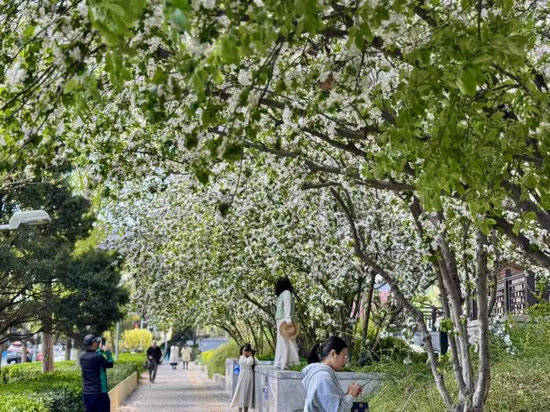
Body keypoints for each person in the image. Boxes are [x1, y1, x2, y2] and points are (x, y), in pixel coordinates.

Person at [302, 336, 363, 412]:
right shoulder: (323, 377)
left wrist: (349, 393)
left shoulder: (321, 375)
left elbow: (330, 405)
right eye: (344, 356)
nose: (345, 360)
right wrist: (350, 395)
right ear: (333, 354)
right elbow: (337, 410)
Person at [80, 334, 114, 412]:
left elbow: (94, 358)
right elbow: (110, 364)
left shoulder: (82, 357)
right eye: (96, 342)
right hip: (99, 393)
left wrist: (100, 351)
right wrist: (108, 352)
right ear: (93, 344)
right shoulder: (98, 357)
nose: (97, 343)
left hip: (87, 393)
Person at [274, 277, 300, 370]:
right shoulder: (287, 293)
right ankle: (287, 364)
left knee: (281, 342)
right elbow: (287, 306)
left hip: (279, 320)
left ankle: (279, 363)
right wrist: (289, 320)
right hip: (285, 320)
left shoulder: (281, 294)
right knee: (288, 342)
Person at [230, 343, 257, 411]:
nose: (246, 352)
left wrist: (252, 356)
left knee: (248, 395)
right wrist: (250, 356)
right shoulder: (241, 358)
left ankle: (246, 410)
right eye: (245, 350)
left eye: (247, 350)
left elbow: (257, 362)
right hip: (243, 377)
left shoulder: (251, 358)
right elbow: (249, 362)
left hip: (250, 377)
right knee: (241, 394)